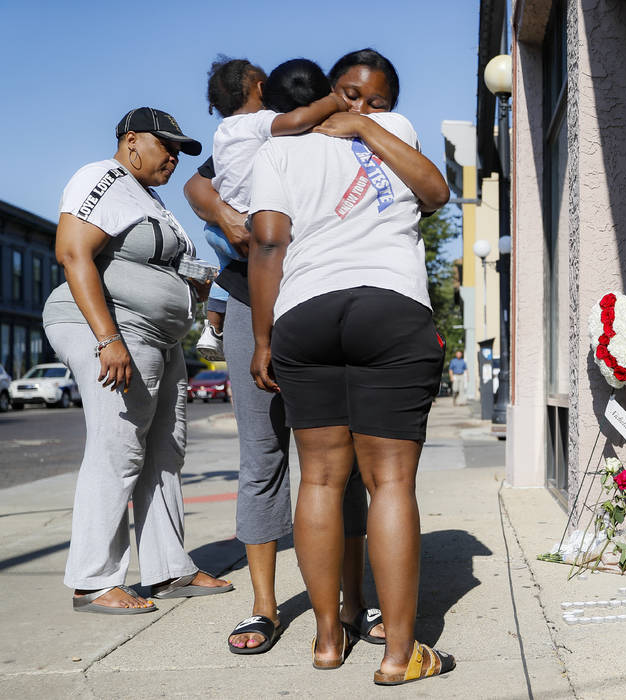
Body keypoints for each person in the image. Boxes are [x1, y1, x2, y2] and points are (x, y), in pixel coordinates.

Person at [247, 48, 454, 682]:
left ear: (386, 104)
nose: (362, 108)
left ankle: (327, 641)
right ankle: (398, 654)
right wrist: (372, 129)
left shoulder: (280, 150)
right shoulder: (400, 131)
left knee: (319, 481)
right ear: (328, 89)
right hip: (389, 306)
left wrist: (264, 339)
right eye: (351, 95)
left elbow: (267, 242)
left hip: (306, 311)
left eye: (376, 103)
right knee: (389, 482)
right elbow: (437, 195)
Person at [184, 58, 384, 655]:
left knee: (340, 457)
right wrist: (219, 210)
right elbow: (199, 182)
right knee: (262, 454)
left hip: (323, 296)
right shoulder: (266, 128)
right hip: (252, 299)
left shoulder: (338, 133)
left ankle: (353, 602)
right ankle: (264, 606)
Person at [43, 107, 234, 614]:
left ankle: (169, 569)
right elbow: (73, 252)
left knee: (165, 451)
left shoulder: (149, 198)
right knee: (119, 448)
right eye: (165, 146)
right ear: (131, 141)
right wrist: (108, 339)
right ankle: (94, 580)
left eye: (180, 150)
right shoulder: (102, 177)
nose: (173, 157)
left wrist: (189, 280)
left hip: (158, 338)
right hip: (110, 329)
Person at [194, 57, 350, 362]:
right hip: (252, 221)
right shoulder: (258, 123)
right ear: (261, 89)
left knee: (226, 272)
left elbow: (198, 183)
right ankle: (228, 326)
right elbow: (294, 121)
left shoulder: (224, 132)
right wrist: (334, 101)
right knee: (257, 269)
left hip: (222, 227)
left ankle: (213, 326)